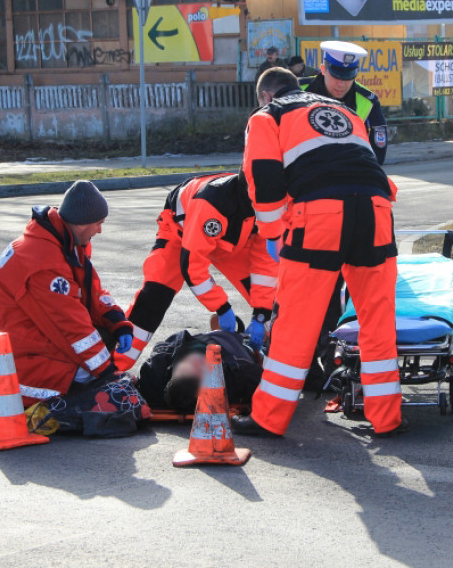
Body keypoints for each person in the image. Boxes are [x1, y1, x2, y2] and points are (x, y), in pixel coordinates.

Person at [233, 67, 405, 439]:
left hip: (320, 216)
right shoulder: (343, 110)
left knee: (296, 321)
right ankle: (387, 417)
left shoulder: (267, 116)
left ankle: (269, 418)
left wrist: (274, 233)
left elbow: (263, 177)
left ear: (265, 96)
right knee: (377, 320)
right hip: (376, 211)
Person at [0, 180, 138, 419]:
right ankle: (31, 399)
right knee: (90, 376)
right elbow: (70, 326)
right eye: (99, 223)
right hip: (17, 359)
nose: (100, 231)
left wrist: (117, 321)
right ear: (81, 223)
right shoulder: (44, 262)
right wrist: (107, 375)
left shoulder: (60, 243)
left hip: (20, 344)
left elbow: (92, 292)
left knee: (103, 337)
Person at [121, 172, 278, 371]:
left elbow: (265, 265)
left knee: (276, 307)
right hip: (181, 232)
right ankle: (112, 368)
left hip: (236, 240)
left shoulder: (271, 205)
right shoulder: (212, 203)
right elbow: (192, 266)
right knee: (155, 297)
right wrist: (222, 308)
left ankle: (276, 366)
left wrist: (261, 315)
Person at [300, 40, 387, 164]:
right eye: (336, 76)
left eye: (348, 77)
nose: (341, 84)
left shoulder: (368, 101)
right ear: (323, 70)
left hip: (348, 169)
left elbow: (378, 153)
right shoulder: (298, 90)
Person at [137, 329, 263, 414]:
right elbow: (262, 382)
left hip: (190, 340)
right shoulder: (235, 377)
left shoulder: (155, 376)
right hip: (231, 342)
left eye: (185, 369)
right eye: (200, 368)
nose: (196, 363)